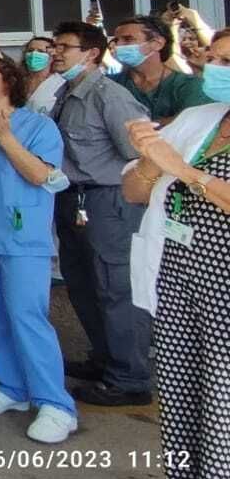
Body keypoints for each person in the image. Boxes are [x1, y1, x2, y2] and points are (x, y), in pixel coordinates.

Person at [123, 28, 230, 479]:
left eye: (227, 62)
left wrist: (182, 168)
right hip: (178, 282)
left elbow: (186, 176)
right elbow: (134, 191)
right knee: (183, 398)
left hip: (223, 288)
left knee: (224, 406)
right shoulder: (199, 118)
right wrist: (151, 159)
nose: (215, 70)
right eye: (215, 59)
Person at [0, 55, 78, 443]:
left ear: (8, 81)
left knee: (27, 315)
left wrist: (5, 138)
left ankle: (55, 403)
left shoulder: (38, 126)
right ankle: (11, 387)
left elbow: (41, 175)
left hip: (21, 237)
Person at [48, 21, 153, 406]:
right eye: (56, 45)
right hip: (72, 199)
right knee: (83, 285)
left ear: (91, 53)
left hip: (107, 201)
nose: (56, 53)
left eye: (65, 47)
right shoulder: (65, 93)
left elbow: (140, 153)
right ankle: (106, 359)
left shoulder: (110, 96)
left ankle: (130, 376)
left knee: (115, 288)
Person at [110, 15, 210, 124]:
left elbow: (191, 123)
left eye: (127, 39)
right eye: (116, 40)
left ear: (157, 44)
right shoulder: (110, 84)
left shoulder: (189, 85)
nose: (117, 45)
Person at [22, 36, 64, 115]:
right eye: (30, 50)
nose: (34, 54)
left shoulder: (60, 83)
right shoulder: (18, 80)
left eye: (41, 51)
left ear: (52, 56)